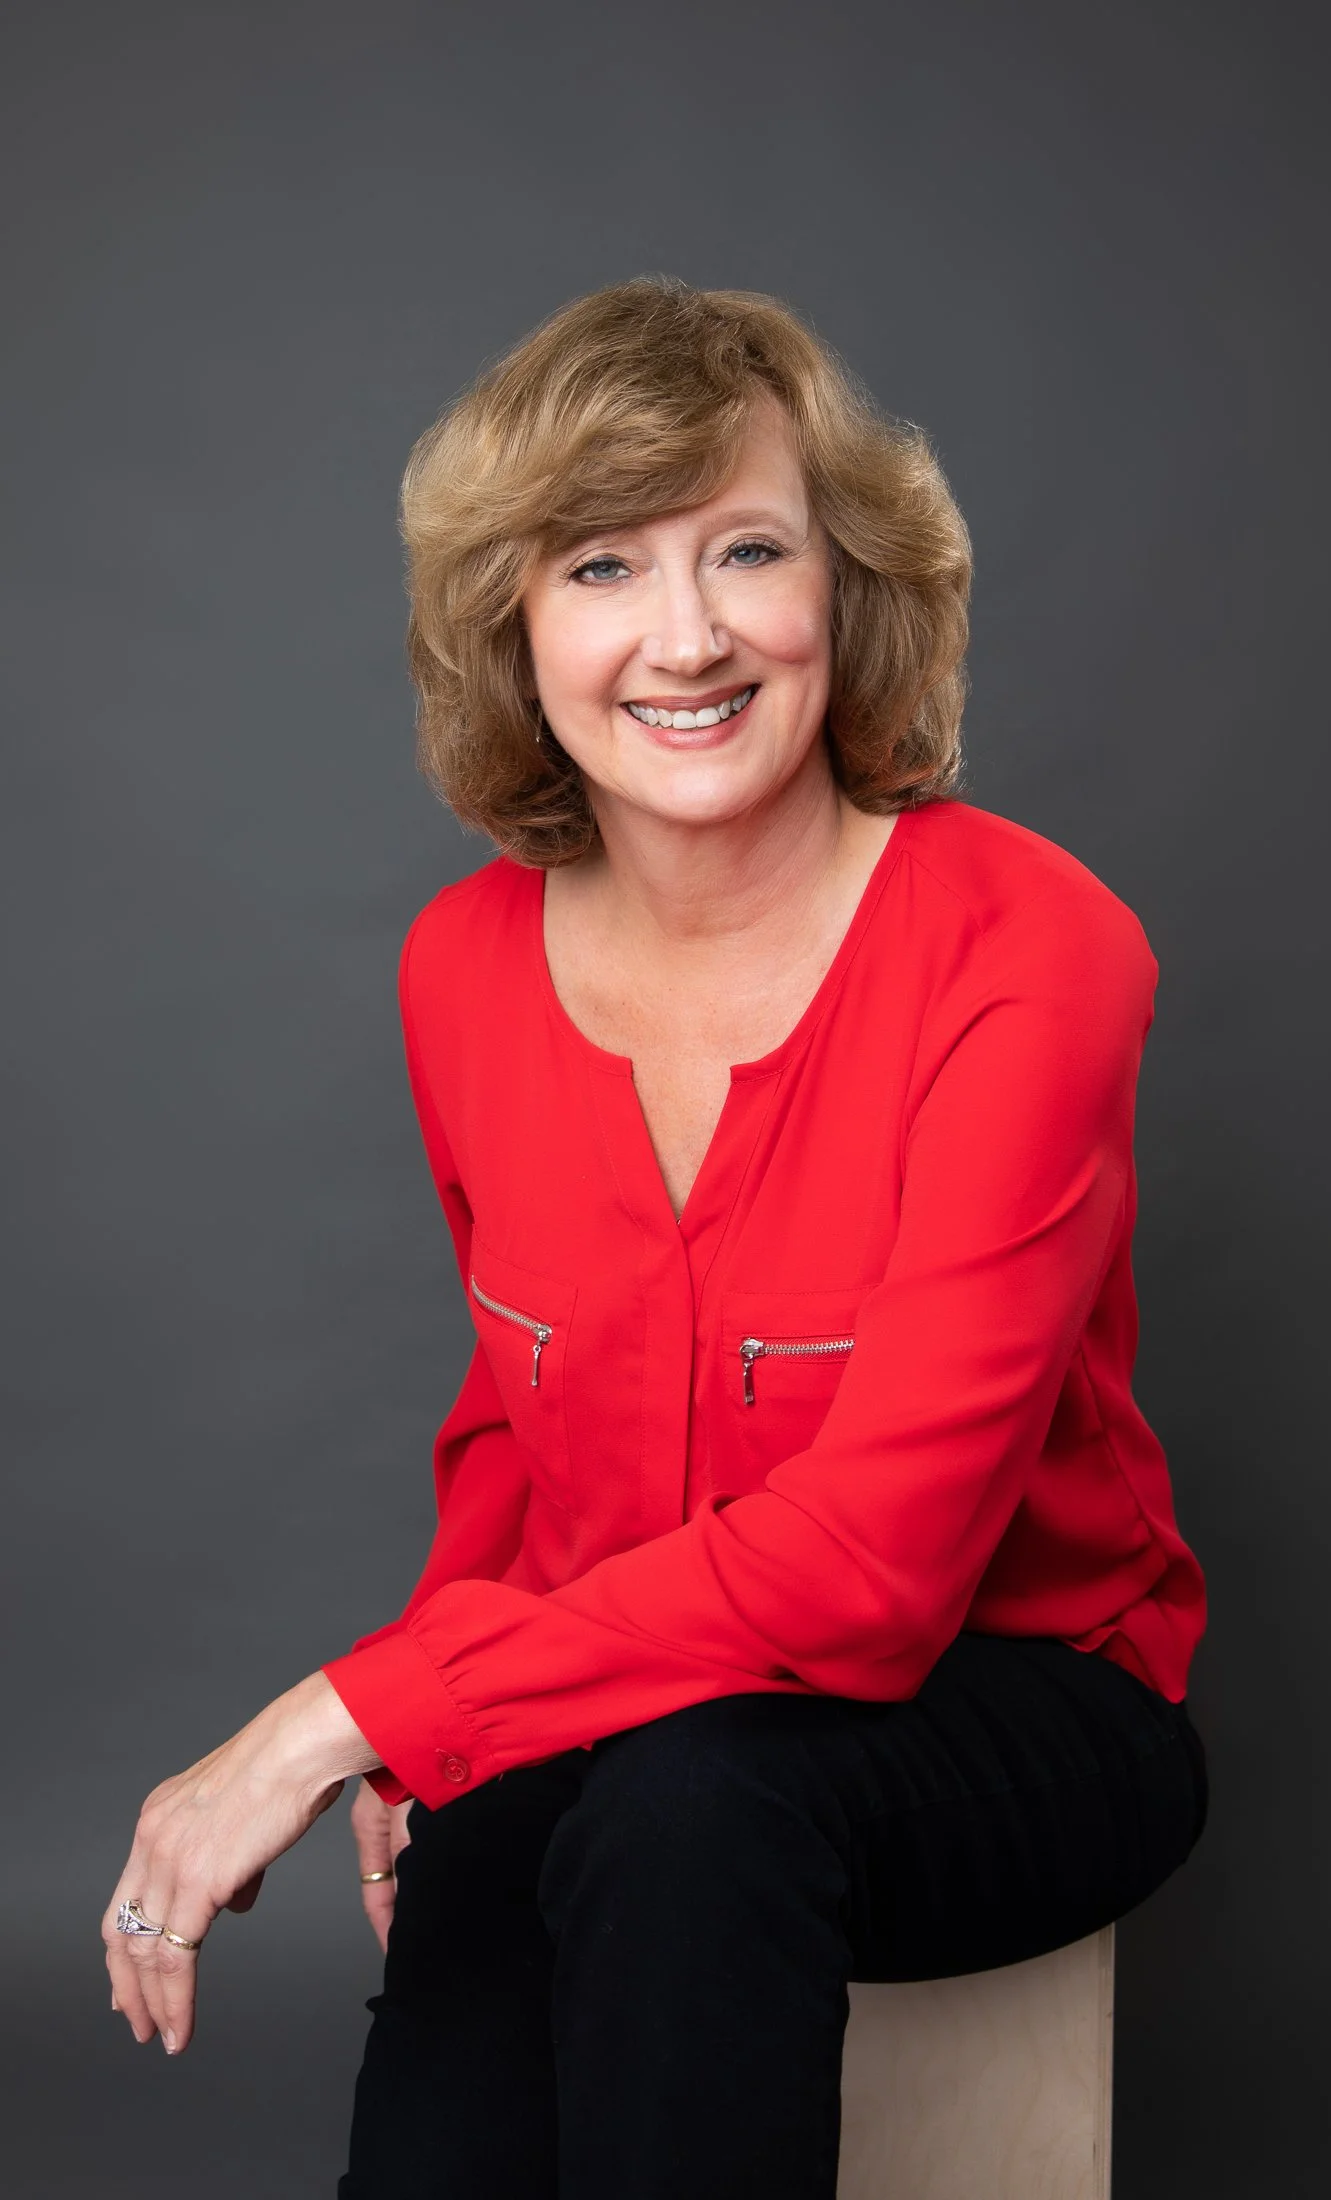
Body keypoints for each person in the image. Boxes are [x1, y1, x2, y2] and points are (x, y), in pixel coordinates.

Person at [103, 277, 1208, 2200]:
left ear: (840, 595)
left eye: (747, 553)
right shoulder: (460, 967)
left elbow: (873, 1575)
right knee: (528, 1842)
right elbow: (507, 1443)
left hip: (1020, 1709)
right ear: (511, 630)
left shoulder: (1026, 951)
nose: (685, 637)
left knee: (688, 1804)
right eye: (603, 566)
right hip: (637, 1701)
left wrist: (342, 1715)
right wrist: (442, 1713)